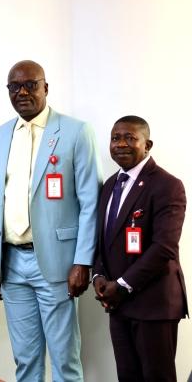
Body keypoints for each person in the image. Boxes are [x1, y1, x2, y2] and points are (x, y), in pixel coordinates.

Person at [0, 60, 101, 382]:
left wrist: (82, 260)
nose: (22, 92)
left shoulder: (76, 131)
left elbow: (91, 201)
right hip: (11, 261)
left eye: (30, 85)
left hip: (57, 262)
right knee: (25, 360)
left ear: (45, 88)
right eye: (14, 87)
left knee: (65, 360)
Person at [92, 116, 186, 382]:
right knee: (128, 377)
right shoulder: (109, 184)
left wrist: (122, 284)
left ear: (148, 144)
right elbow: (103, 239)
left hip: (154, 304)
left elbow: (164, 247)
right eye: (115, 138)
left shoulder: (168, 185)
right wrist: (98, 275)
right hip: (118, 305)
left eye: (130, 138)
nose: (120, 144)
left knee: (158, 377)